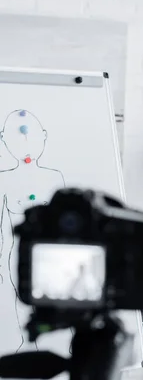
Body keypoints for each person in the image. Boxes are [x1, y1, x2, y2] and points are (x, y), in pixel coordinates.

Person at [0, 109, 65, 351]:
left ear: (44, 136)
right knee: (24, 305)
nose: (26, 144)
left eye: (32, 135)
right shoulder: (4, 180)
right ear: (4, 140)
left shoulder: (55, 177)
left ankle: (58, 347)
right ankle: (29, 348)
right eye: (15, 138)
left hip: (54, 259)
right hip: (18, 259)